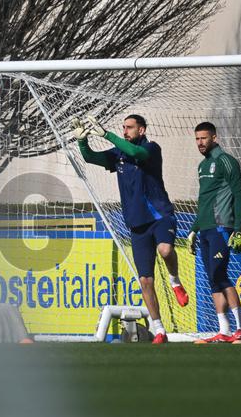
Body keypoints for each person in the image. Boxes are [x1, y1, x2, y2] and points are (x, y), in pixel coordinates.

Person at [74, 114, 189, 345]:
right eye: (123, 128)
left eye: (129, 127)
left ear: (142, 130)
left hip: (159, 216)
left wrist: (107, 134)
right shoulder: (118, 154)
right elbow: (90, 158)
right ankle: (159, 330)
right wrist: (82, 141)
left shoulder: (151, 148)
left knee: (166, 251)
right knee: (145, 281)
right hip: (137, 224)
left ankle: (175, 281)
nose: (125, 131)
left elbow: (136, 154)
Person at [189, 122, 241, 343]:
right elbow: (204, 201)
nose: (200, 143)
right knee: (213, 279)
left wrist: (238, 230)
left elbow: (239, 196)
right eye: (197, 139)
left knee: (219, 274)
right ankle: (224, 330)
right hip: (205, 229)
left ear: (214, 138)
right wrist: (194, 230)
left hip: (221, 228)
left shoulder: (227, 161)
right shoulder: (201, 166)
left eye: (204, 138)